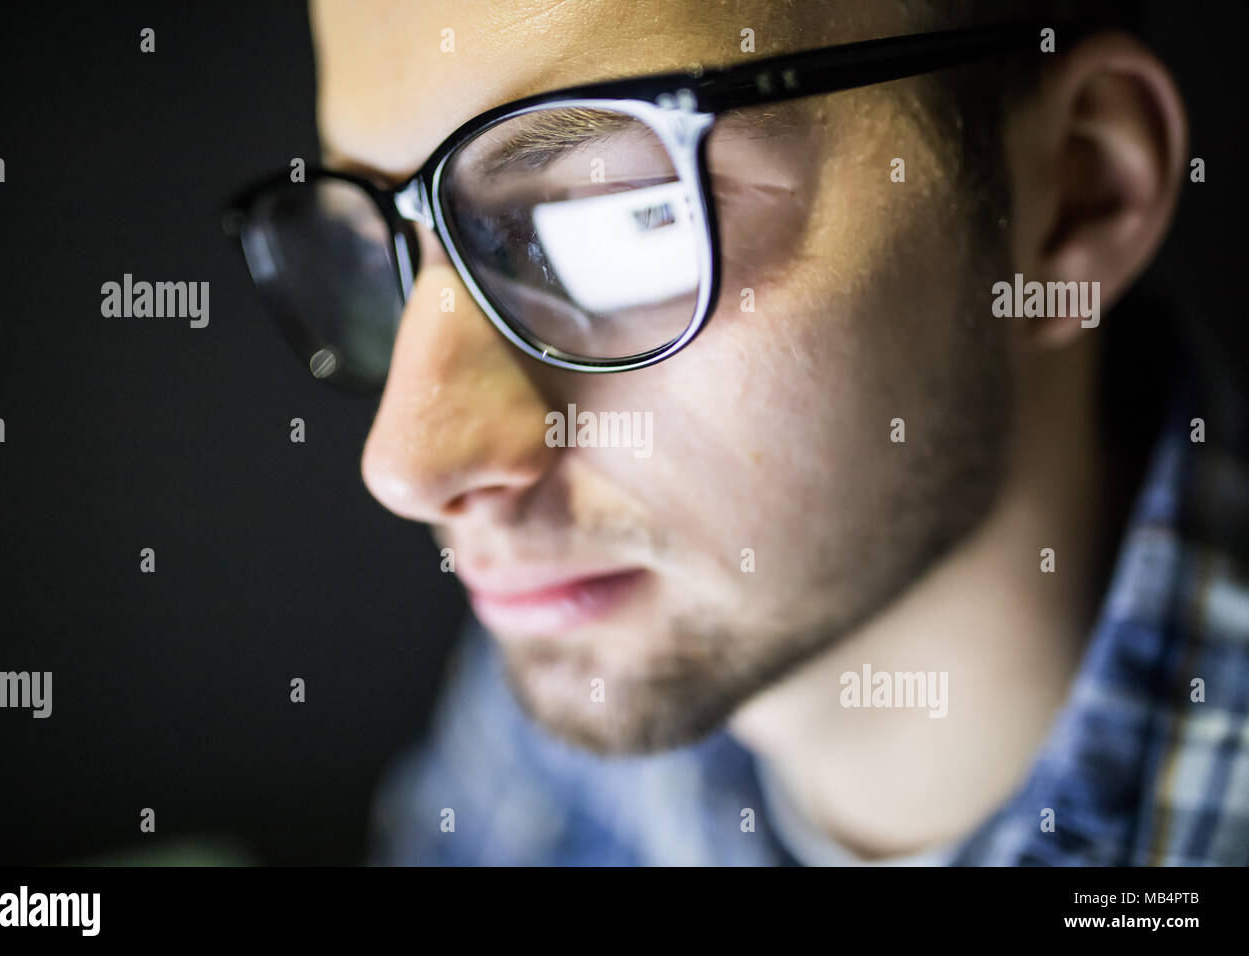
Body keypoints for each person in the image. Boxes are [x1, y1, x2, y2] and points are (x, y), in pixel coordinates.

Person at [224, 0, 1249, 865]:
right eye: (378, 244)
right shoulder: (576, 635)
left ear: (1076, 193)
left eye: (619, 223)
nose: (412, 461)